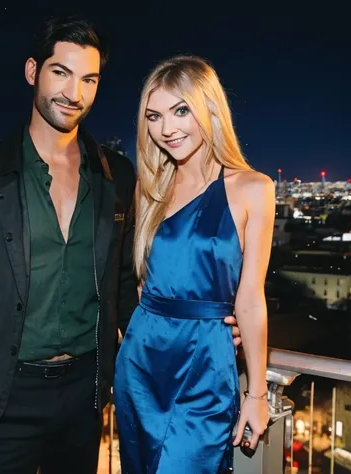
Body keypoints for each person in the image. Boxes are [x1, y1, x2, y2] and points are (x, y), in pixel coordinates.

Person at [0, 16, 242, 474]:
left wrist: (200, 328)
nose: (74, 93)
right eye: (61, 72)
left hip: (85, 394)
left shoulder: (116, 175)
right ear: (32, 71)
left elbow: (127, 285)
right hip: (3, 395)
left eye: (89, 79)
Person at [114, 55, 275, 473]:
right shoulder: (151, 189)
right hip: (140, 365)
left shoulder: (254, 188)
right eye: (154, 116)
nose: (167, 128)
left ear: (210, 109)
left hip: (205, 367)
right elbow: (143, 285)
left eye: (180, 110)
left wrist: (256, 395)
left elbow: (251, 299)